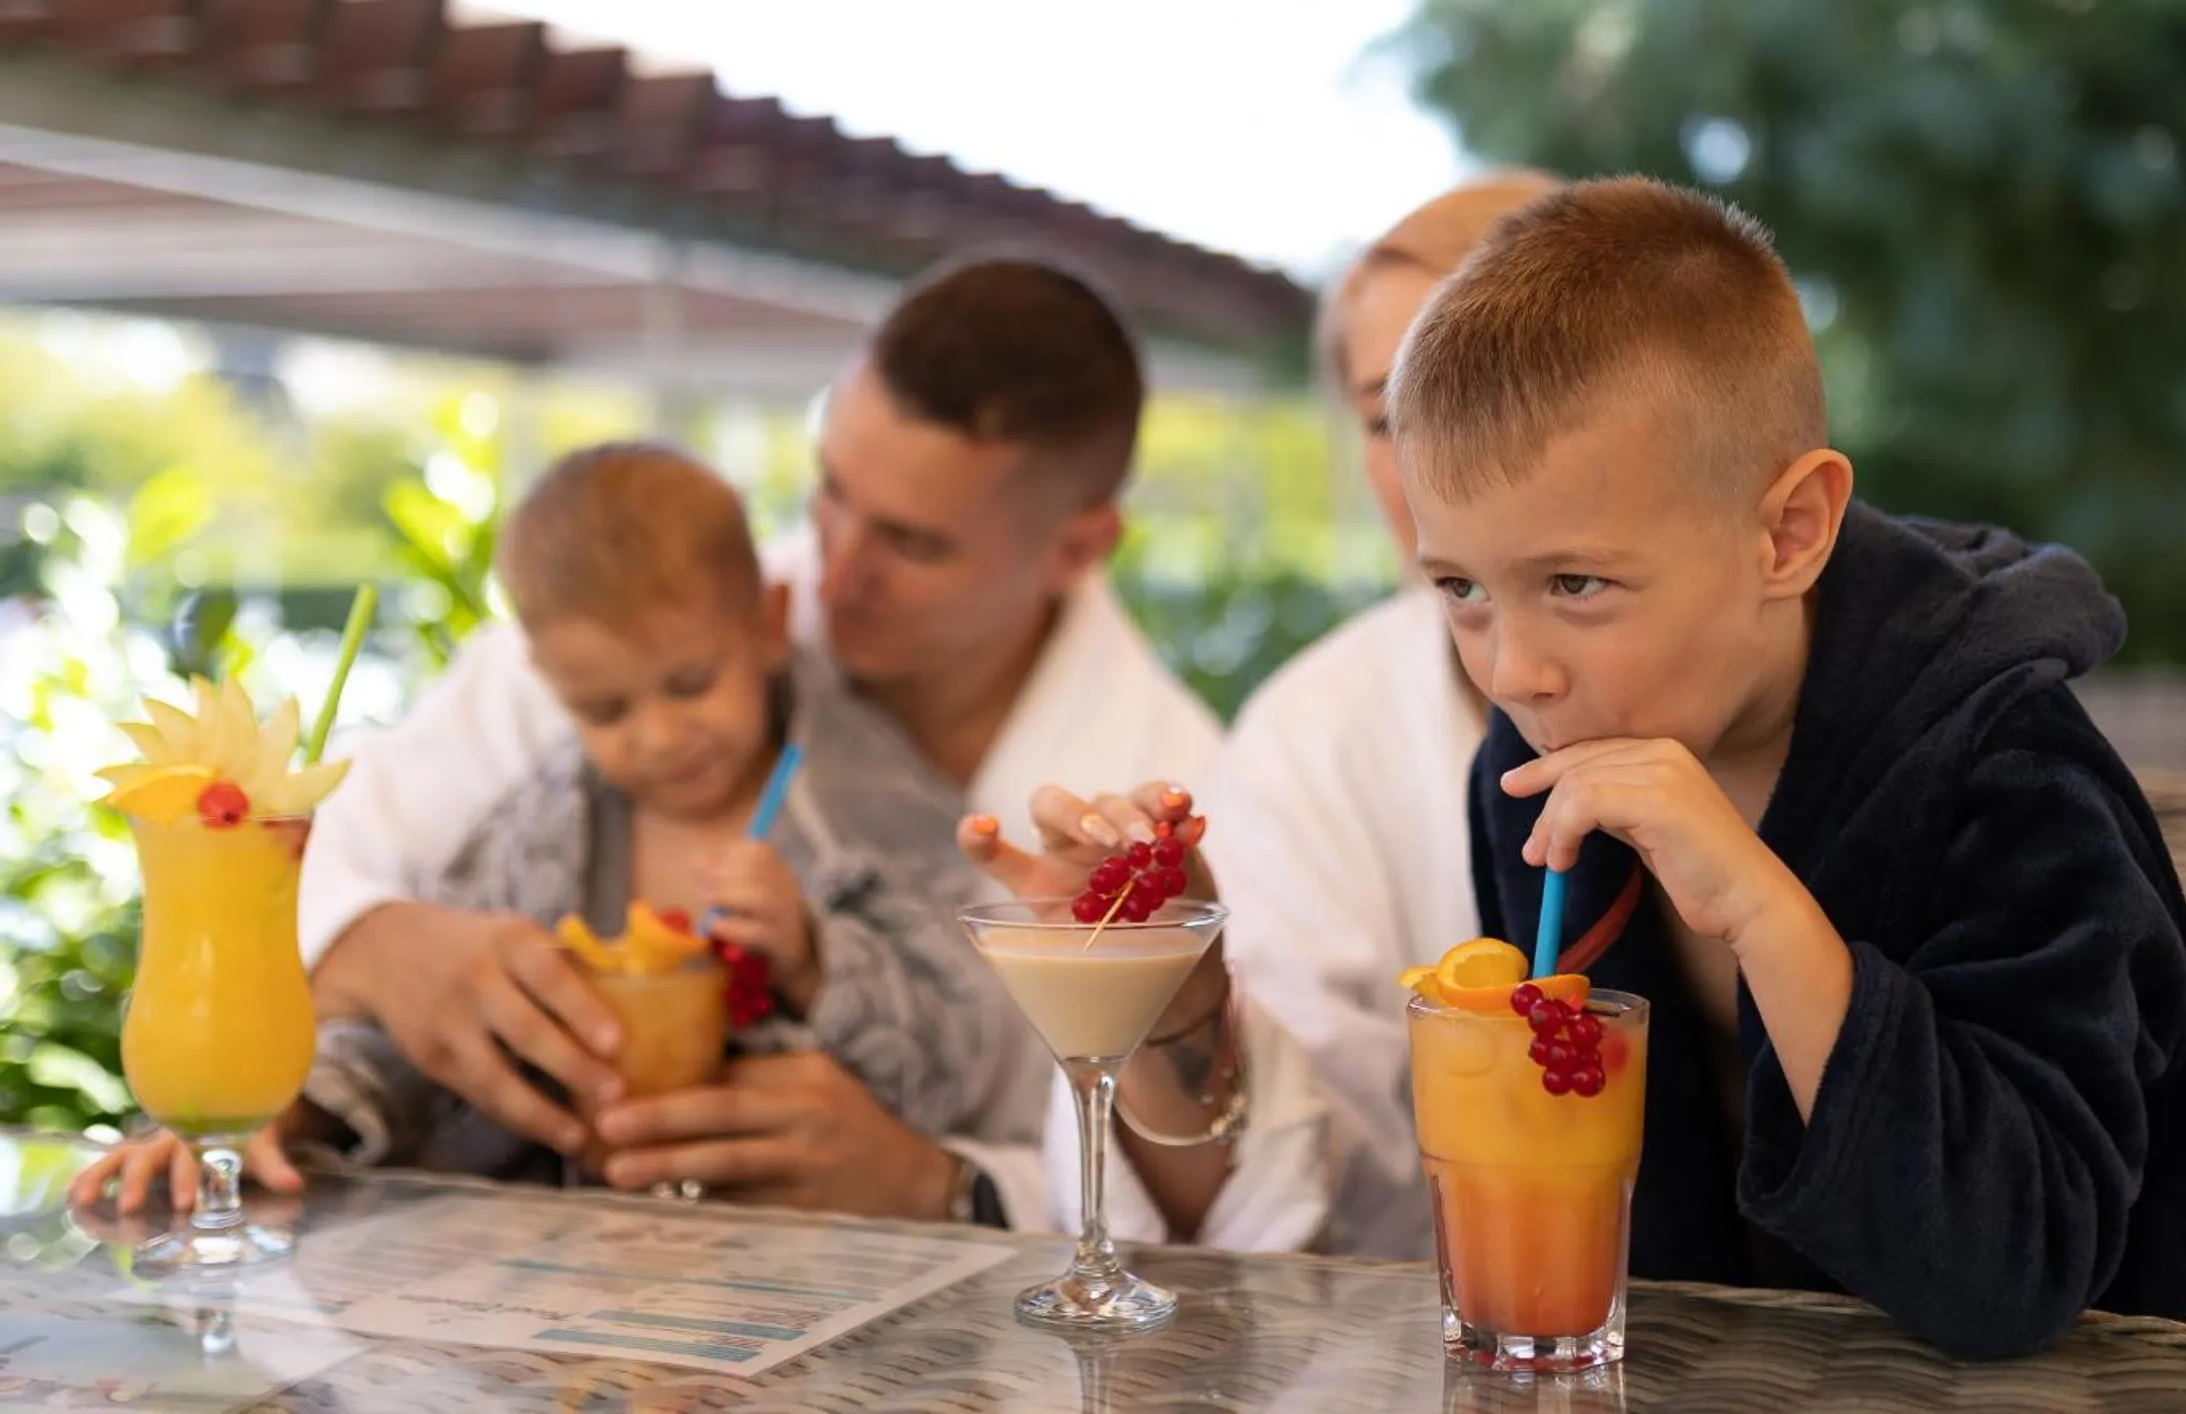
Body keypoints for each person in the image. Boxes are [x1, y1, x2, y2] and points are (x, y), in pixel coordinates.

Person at [1384, 174, 2186, 1367]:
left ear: (1790, 533)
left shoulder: (2008, 774)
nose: (1513, 672)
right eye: (1461, 589)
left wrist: (1761, 904)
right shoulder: (1537, 774)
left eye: (1576, 585)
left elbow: (2009, 1278)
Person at [273, 255, 1303, 1239]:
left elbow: (1250, 1200)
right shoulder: (664, 608)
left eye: (911, 542)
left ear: (1076, 549)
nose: (835, 570)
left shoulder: (1175, 793)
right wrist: (376, 942)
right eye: (830, 491)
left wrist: (941, 1185)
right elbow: (331, 855)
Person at [72, 442, 1025, 1208]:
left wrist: (817, 962)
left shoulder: (881, 814)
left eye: (691, 684)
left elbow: (961, 1056)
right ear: (547, 685)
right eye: (606, 710)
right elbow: (429, 1043)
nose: (658, 737)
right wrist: (291, 1115)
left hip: (796, 1280)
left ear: (769, 624)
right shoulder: (540, 830)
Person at [1199, 172, 1559, 1257]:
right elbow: (1305, 1152)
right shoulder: (1310, 731)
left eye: (1487, 392)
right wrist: (1177, 1015)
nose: (1430, 454)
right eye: (1382, 413)